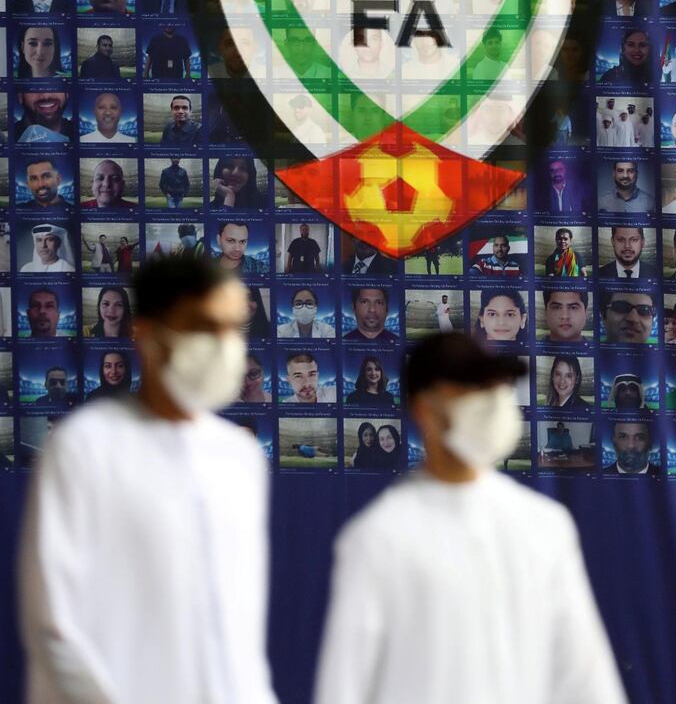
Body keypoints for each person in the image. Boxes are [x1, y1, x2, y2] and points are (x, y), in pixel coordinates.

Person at [316, 331, 627, 703]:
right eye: (472, 390)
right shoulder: (378, 538)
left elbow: (585, 680)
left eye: (495, 388)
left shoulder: (546, 526)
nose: (493, 403)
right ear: (425, 408)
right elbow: (344, 688)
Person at [21, 255, 279, 701]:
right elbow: (53, 624)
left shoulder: (239, 457)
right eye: (203, 326)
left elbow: (239, 629)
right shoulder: (85, 447)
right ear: (147, 336)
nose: (223, 344)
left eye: (232, 328)